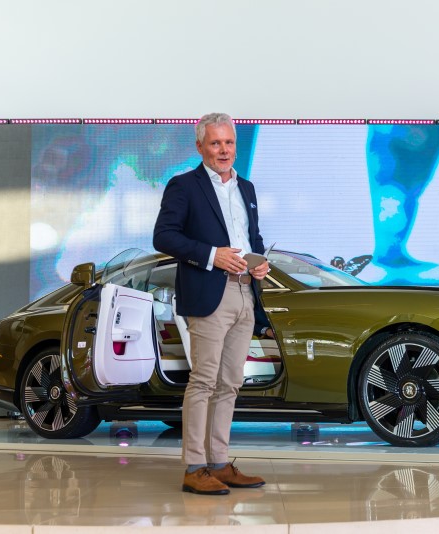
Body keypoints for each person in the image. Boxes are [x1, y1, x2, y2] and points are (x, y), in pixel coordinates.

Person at [153, 113, 269, 495]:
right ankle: (194, 468)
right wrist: (211, 255)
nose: (224, 150)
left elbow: (252, 238)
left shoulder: (246, 188)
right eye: (216, 143)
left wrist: (260, 262)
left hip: (245, 291)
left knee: (230, 382)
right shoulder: (184, 186)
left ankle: (219, 463)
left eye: (229, 142)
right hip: (208, 292)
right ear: (200, 146)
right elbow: (163, 236)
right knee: (203, 380)